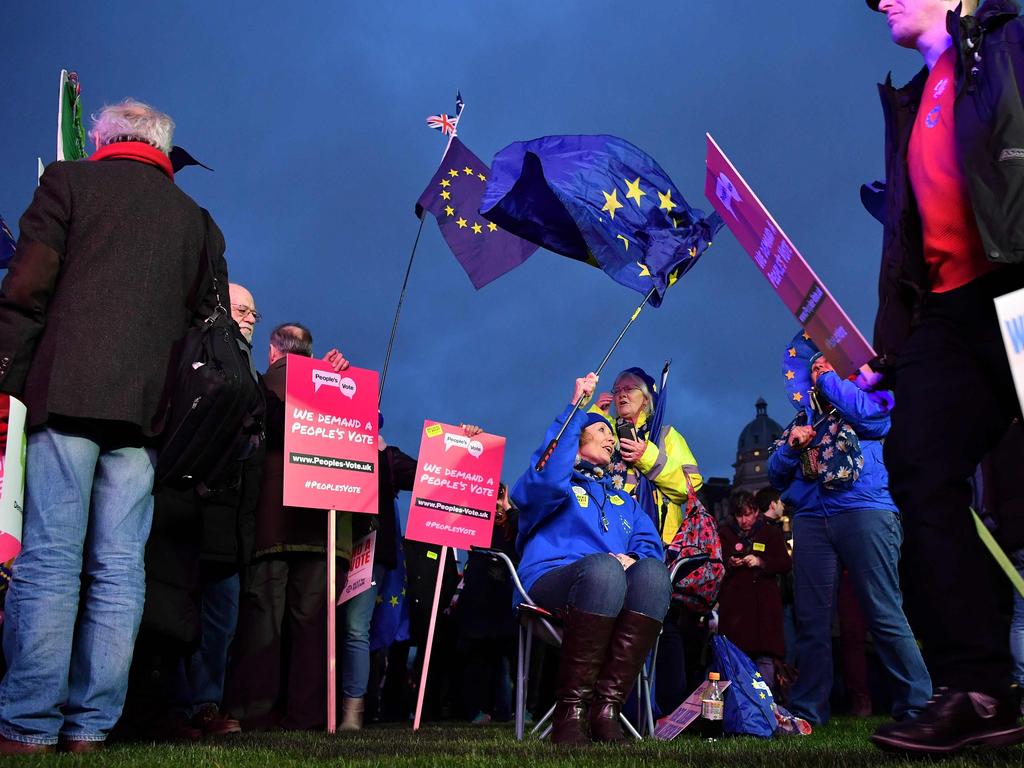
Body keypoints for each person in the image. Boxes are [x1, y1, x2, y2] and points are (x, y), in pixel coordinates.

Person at [0, 100, 228, 755]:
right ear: (163, 146)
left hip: (66, 393)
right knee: (120, 571)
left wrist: (6, 381)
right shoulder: (197, 221)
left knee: (49, 560)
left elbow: (26, 289)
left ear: (103, 138)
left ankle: (28, 725)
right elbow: (203, 328)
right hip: (149, 415)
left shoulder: (68, 183)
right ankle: (90, 727)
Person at [865, 0, 1024, 753]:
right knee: (919, 462)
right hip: (952, 314)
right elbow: (907, 236)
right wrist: (887, 346)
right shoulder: (912, 97)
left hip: (1018, 291)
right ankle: (983, 690)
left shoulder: (1008, 44)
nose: (878, 2)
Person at [122, 283, 265, 741]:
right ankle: (173, 708)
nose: (247, 318)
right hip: (182, 511)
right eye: (240, 308)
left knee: (218, 624)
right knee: (172, 617)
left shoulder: (254, 378)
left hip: (228, 526)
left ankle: (204, 704)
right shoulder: (194, 354)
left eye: (254, 314)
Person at [768, 332, 930, 727]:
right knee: (812, 620)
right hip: (810, 518)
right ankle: (809, 711)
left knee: (883, 610)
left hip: (865, 510)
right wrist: (791, 447)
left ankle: (917, 707)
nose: (818, 369)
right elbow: (775, 475)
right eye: (814, 367)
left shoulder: (870, 396)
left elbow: (876, 419)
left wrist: (830, 382)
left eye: (827, 364)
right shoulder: (803, 418)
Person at [512, 373, 670, 745]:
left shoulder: (622, 500)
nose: (611, 437)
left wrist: (633, 558)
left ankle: (606, 711)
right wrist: (575, 410)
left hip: (607, 590)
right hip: (550, 582)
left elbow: (649, 546)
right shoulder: (556, 486)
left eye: (610, 435)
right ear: (578, 438)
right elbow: (546, 479)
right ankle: (570, 713)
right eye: (601, 431)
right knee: (604, 569)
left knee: (653, 575)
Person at [223, 323, 348, 731]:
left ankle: (256, 711)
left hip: (270, 523)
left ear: (274, 353)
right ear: (308, 354)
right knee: (312, 626)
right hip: (320, 523)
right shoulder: (337, 385)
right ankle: (308, 715)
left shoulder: (259, 383)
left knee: (263, 618)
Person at [596, 367, 702, 543]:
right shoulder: (606, 436)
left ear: (646, 399)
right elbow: (579, 464)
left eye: (629, 389)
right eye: (617, 390)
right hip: (611, 538)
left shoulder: (666, 435)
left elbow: (690, 487)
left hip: (660, 541)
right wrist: (596, 415)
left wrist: (647, 458)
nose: (621, 394)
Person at [716, 490, 791, 690]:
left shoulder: (770, 533)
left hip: (763, 611)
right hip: (735, 610)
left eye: (747, 514)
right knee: (735, 661)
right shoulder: (725, 534)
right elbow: (715, 565)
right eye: (739, 515)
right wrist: (729, 562)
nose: (743, 520)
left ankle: (767, 707)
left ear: (756, 512)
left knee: (765, 660)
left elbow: (785, 563)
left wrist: (761, 562)